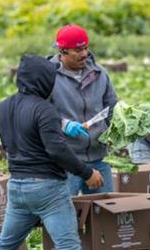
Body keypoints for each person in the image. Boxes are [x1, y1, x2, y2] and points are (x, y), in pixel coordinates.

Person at [0, 55, 104, 250]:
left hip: (16, 186)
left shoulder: (2, 108)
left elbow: (7, 145)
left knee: (6, 244)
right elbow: (57, 150)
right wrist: (87, 172)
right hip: (47, 189)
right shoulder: (45, 110)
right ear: (43, 80)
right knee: (67, 244)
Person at [47, 24, 119, 196]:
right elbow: (41, 113)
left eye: (86, 48)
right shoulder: (48, 75)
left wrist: (122, 128)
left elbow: (112, 107)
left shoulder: (99, 73)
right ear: (62, 51)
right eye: (78, 50)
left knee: (105, 211)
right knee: (66, 212)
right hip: (66, 161)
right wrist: (64, 125)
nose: (84, 54)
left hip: (98, 156)